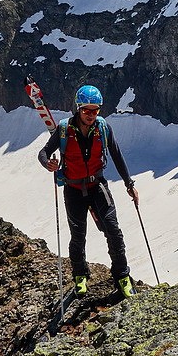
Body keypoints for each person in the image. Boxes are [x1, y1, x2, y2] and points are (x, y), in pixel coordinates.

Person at [38, 84, 140, 298]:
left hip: (97, 185)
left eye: (95, 110)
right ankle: (80, 277)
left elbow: (117, 155)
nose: (91, 115)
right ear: (78, 108)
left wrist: (129, 184)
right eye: (87, 110)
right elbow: (44, 152)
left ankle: (122, 276)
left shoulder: (103, 128)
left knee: (113, 230)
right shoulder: (64, 129)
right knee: (78, 236)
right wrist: (48, 163)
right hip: (73, 188)